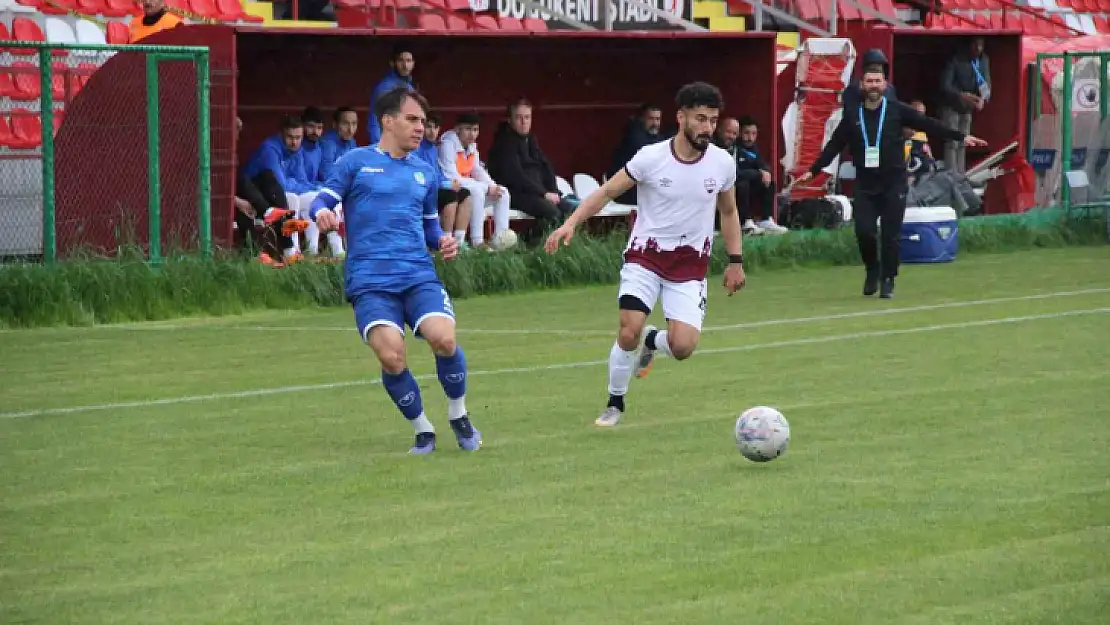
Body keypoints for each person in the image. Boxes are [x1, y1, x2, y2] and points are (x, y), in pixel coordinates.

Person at [544, 82, 747, 427]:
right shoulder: (651, 158)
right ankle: (615, 402)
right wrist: (571, 224)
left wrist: (735, 261)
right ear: (681, 117)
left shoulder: (722, 163)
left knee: (683, 348)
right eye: (700, 119)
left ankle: (655, 340)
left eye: (713, 120)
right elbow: (607, 191)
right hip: (645, 257)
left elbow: (728, 212)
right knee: (628, 330)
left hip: (689, 265)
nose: (708, 128)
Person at [307, 86, 482, 455]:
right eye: (412, 119)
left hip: (417, 275)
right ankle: (423, 430)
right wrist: (321, 212)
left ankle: (458, 413)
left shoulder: (424, 172)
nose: (421, 128)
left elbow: (431, 227)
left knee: (445, 339)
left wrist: (443, 242)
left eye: (423, 121)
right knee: (391, 356)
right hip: (370, 282)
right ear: (388, 121)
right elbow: (324, 198)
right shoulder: (355, 162)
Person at [796, 61, 987, 299]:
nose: (874, 85)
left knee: (890, 234)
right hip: (866, 184)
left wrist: (961, 136)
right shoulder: (852, 115)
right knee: (864, 232)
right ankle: (872, 269)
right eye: (869, 81)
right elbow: (834, 146)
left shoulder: (897, 110)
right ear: (862, 85)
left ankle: (888, 279)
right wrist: (813, 170)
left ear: (885, 84)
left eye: (878, 81)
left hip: (893, 183)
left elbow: (929, 124)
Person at [940, 36, 991, 173]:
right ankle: (951, 175)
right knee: (952, 143)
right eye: (975, 45)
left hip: (968, 108)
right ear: (969, 45)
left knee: (964, 142)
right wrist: (962, 95)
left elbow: (986, 81)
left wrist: (983, 98)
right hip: (952, 106)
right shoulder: (956, 59)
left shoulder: (983, 60)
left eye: (981, 45)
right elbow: (945, 85)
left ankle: (960, 174)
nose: (978, 49)